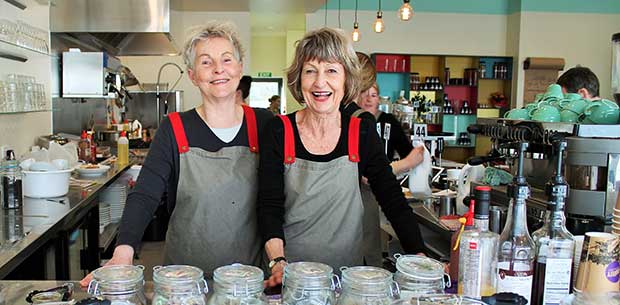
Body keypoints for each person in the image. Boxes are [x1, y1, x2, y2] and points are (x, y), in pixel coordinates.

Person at [80, 21, 272, 286]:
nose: (219, 69)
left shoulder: (264, 124)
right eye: (206, 62)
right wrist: (123, 251)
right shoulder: (175, 128)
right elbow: (146, 193)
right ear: (192, 75)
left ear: (239, 69)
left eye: (227, 60)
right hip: (183, 282)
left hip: (248, 281)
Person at [257, 27, 425, 286]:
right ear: (298, 79)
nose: (320, 83)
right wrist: (277, 263)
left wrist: (419, 256)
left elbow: (391, 198)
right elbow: (269, 205)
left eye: (331, 71)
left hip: (347, 277)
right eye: (310, 70)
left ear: (346, 80)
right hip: (290, 275)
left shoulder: (361, 132)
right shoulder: (279, 130)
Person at [357, 82, 426, 266]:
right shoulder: (351, 123)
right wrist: (402, 165)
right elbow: (362, 174)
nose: (368, 98)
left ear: (379, 99)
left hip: (378, 193)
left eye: (373, 94)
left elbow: (410, 154)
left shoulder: (388, 122)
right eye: (364, 93)